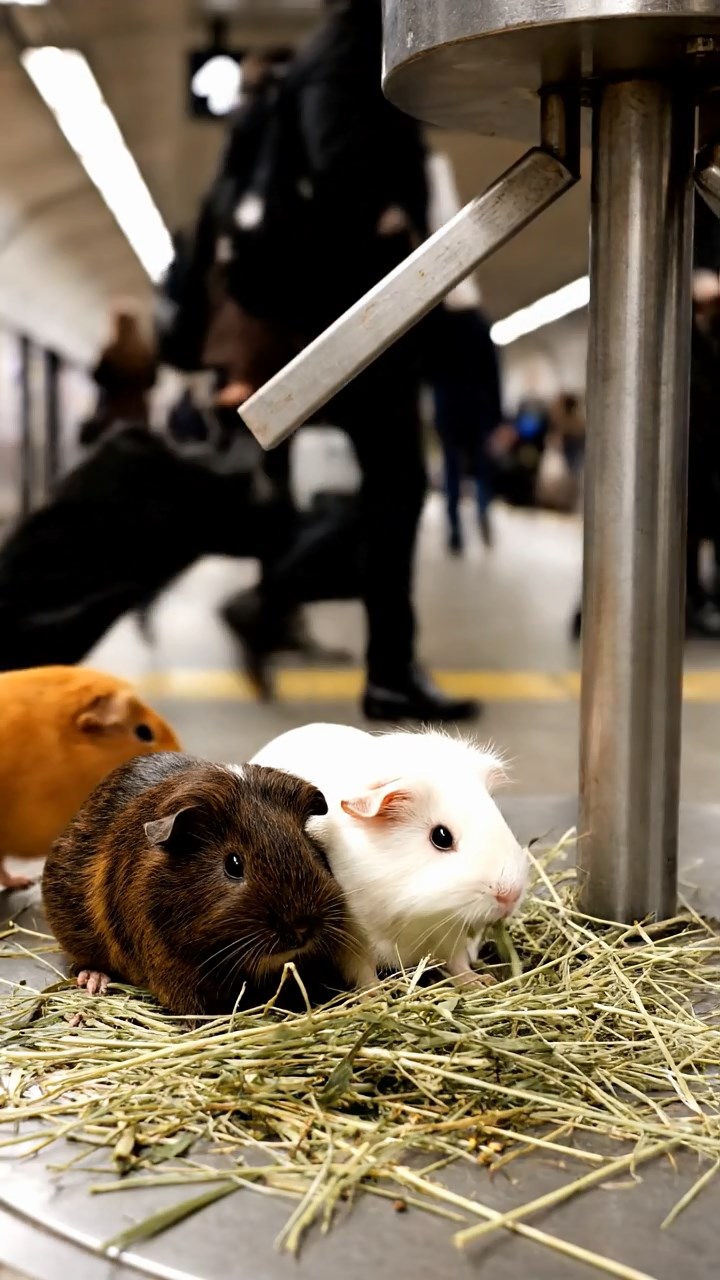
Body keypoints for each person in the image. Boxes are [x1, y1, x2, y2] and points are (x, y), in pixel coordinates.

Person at [224, 0, 477, 722]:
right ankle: (347, 645)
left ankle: (384, 666)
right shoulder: (345, 52)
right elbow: (341, 168)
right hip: (359, 310)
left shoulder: (338, 48)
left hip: (349, 306)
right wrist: (394, 222)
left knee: (390, 489)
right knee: (396, 487)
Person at [427, 303, 502, 553]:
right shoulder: (479, 324)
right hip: (477, 409)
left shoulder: (439, 327)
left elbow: (430, 371)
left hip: (448, 409)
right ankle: (482, 508)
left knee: (452, 469)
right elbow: (493, 372)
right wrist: (495, 416)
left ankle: (455, 529)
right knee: (481, 467)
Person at [79, 305, 157, 447]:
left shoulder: (110, 353)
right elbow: (152, 381)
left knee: (112, 450)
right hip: (138, 411)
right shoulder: (144, 354)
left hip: (113, 411)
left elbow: (97, 377)